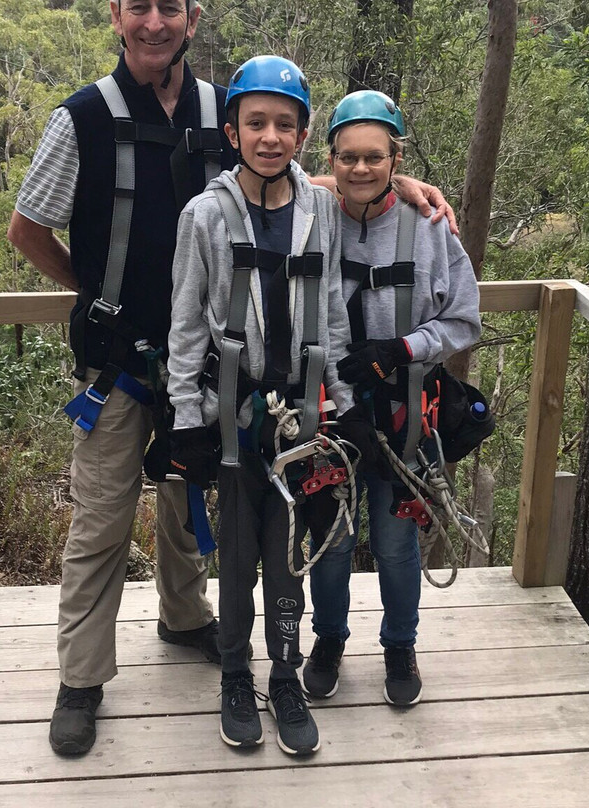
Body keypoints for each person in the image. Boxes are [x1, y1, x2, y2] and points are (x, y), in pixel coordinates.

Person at [7, 0, 456, 760]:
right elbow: (27, 228)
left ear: (192, 17)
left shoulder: (225, 107)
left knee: (189, 510)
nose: (155, 22)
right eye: (139, 6)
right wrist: (97, 295)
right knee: (102, 523)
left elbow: (286, 175)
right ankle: (81, 680)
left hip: (223, 371)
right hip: (123, 356)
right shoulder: (80, 117)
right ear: (116, 15)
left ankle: (186, 620)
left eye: (170, 7)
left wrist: (392, 185)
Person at [165, 56, 381, 757]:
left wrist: (345, 404)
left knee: (289, 556)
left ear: (303, 134)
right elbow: (187, 325)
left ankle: (283, 675)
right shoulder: (205, 215)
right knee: (236, 559)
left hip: (305, 415)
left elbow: (333, 314)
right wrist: (187, 420)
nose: (269, 136)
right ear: (231, 130)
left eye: (284, 124)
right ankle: (236, 675)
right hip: (233, 414)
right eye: (255, 122)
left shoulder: (318, 208)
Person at [302, 90, 482, 707]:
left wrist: (402, 349)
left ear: (394, 157)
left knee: (396, 542)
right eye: (347, 157)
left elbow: (463, 321)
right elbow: (276, 175)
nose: (360, 169)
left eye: (375, 158)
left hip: (405, 409)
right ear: (332, 157)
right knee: (329, 536)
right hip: (329, 410)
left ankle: (399, 646)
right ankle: (328, 640)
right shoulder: (312, 214)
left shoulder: (430, 231)